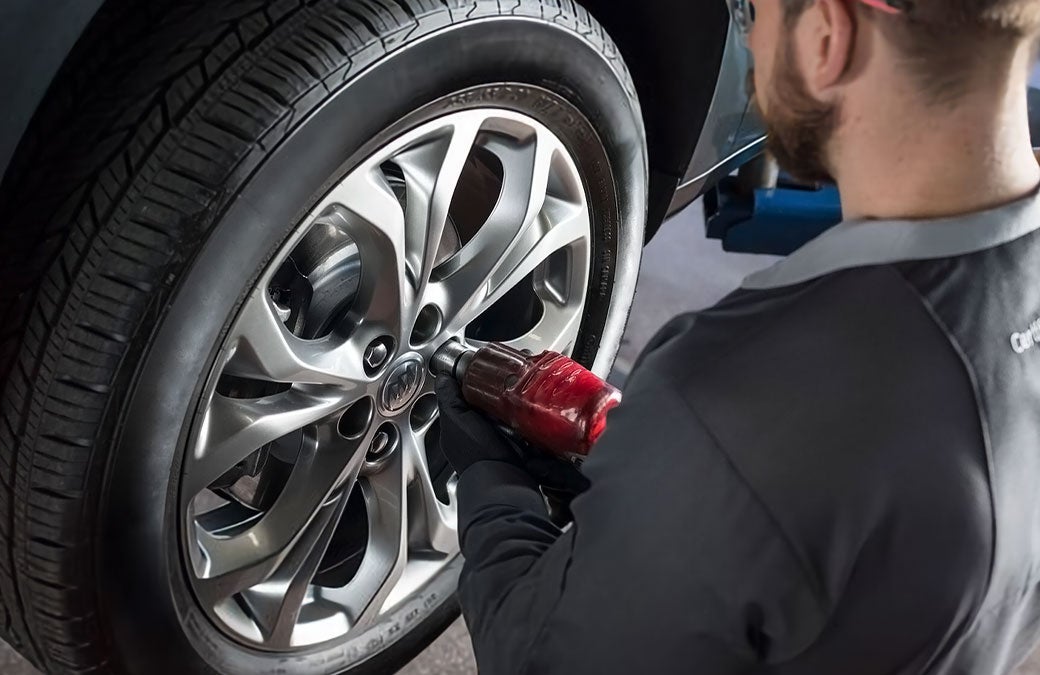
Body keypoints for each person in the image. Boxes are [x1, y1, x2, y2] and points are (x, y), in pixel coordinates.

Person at [435, 0, 1040, 672]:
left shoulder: (735, 401)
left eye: (756, 8)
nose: (750, 35)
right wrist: (673, 488)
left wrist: (494, 489)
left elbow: (537, 658)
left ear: (828, 35)